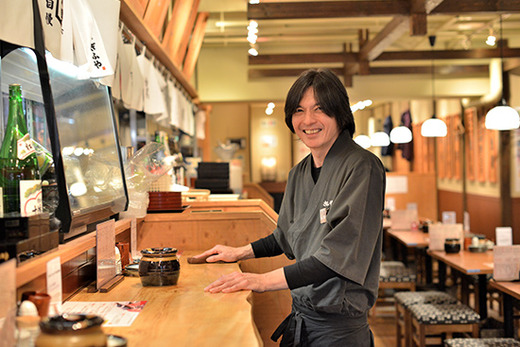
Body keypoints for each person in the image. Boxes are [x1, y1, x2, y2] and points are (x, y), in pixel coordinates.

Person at [193, 68, 386, 346]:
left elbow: (337, 256)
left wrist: (259, 281)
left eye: (319, 109)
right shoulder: (299, 173)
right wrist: (240, 251)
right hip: (301, 320)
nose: (308, 120)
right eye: (299, 110)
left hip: (338, 331)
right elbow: (286, 237)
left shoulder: (362, 167)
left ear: (340, 114)